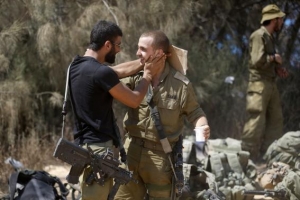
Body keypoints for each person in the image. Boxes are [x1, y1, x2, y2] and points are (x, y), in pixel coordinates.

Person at [69, 20, 164, 200]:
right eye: (118, 45)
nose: (119, 50)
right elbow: (134, 100)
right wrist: (148, 75)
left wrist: (144, 62)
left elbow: (116, 72)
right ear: (107, 45)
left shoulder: (76, 66)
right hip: (98, 151)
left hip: (85, 147)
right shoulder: (100, 73)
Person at [114, 30, 210, 200]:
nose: (137, 53)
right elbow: (108, 76)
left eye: (142, 49)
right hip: (130, 152)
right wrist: (142, 63)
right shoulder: (135, 75)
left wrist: (202, 129)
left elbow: (196, 114)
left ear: (159, 53)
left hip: (161, 160)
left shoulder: (181, 85)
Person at [241, 4, 288, 162]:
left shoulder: (269, 37)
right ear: (274, 20)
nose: (282, 23)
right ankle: (245, 158)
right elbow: (256, 61)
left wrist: (276, 69)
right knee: (256, 120)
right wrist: (274, 58)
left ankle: (269, 158)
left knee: (276, 120)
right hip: (259, 84)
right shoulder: (258, 35)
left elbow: (264, 62)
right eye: (280, 19)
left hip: (270, 84)